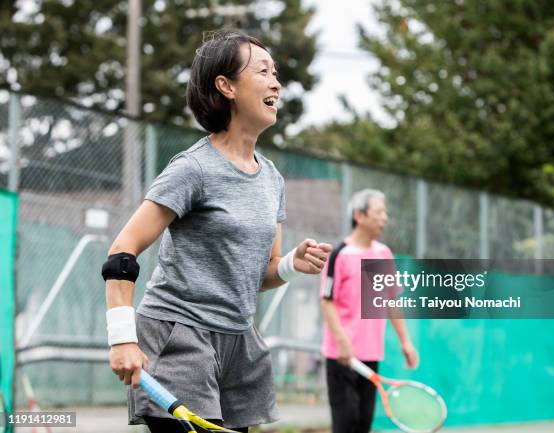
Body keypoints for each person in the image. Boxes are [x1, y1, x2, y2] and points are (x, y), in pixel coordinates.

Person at [101, 30, 332, 433]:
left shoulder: (272, 179)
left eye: (275, 73)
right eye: (263, 71)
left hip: (239, 342)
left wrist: (293, 263)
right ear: (225, 86)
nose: (276, 82)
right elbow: (122, 252)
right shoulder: (192, 169)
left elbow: (261, 274)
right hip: (180, 337)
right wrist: (121, 338)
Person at [320, 189, 419, 433]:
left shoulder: (383, 254)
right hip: (342, 357)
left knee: (363, 425)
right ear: (359, 216)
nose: (384, 217)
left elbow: (391, 300)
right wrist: (342, 342)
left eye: (385, 212)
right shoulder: (338, 255)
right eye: (379, 212)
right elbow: (326, 301)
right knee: (346, 426)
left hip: (371, 355)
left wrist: (405, 342)